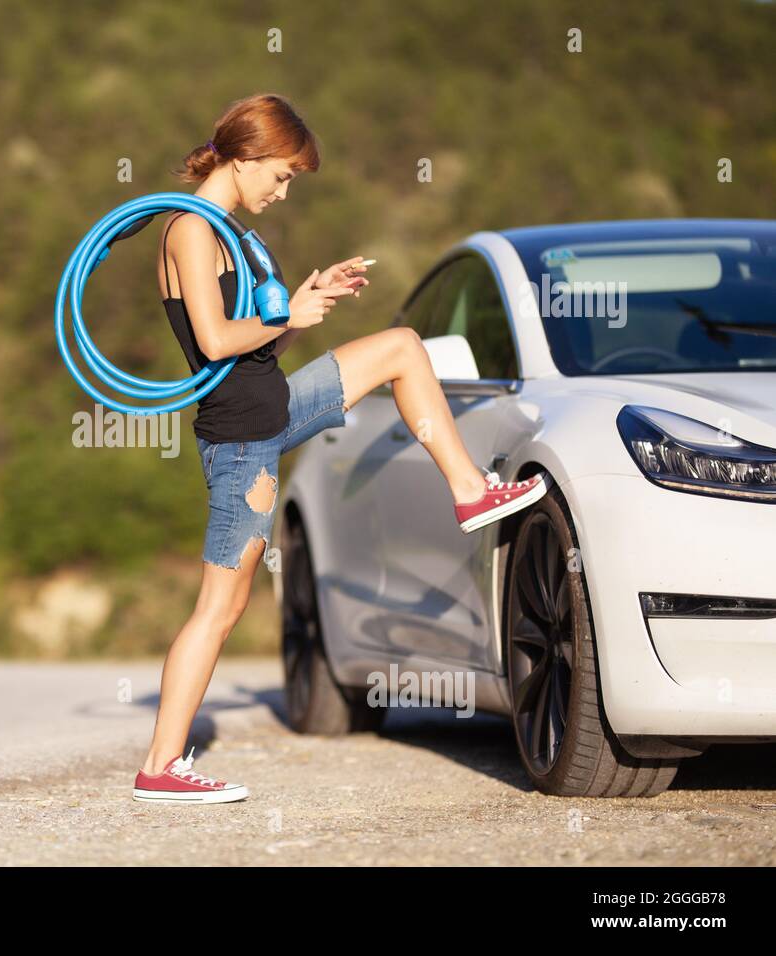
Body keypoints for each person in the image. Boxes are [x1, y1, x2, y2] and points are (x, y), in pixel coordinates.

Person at [132, 93, 547, 804]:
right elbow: (213, 343)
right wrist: (284, 315)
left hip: (275, 404)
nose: (285, 189)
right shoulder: (191, 231)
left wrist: (305, 304)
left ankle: (471, 490)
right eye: (283, 175)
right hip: (242, 438)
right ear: (247, 157)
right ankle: (162, 765)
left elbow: (255, 346)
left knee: (401, 348)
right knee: (220, 607)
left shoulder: (227, 229)